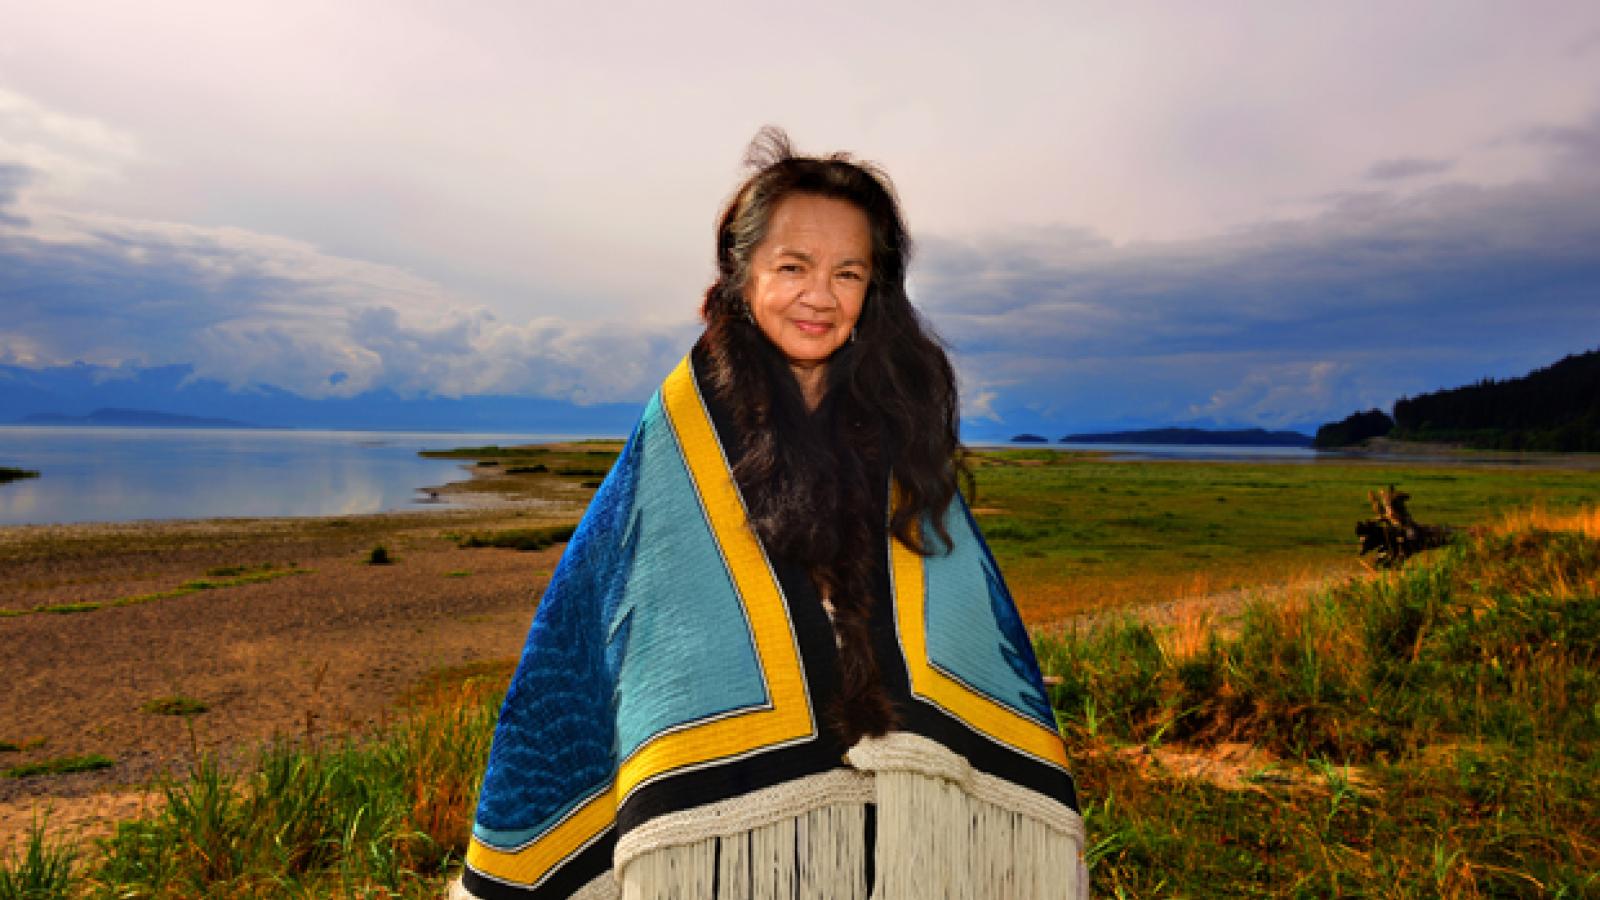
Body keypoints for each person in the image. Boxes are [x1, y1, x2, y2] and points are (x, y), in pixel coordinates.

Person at [453, 129, 1087, 900]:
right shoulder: (684, 435)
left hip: (891, 821)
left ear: (872, 292)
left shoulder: (898, 430)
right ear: (742, 274)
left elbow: (964, 612)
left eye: (847, 273)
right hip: (729, 848)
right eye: (793, 267)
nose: (819, 295)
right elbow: (599, 613)